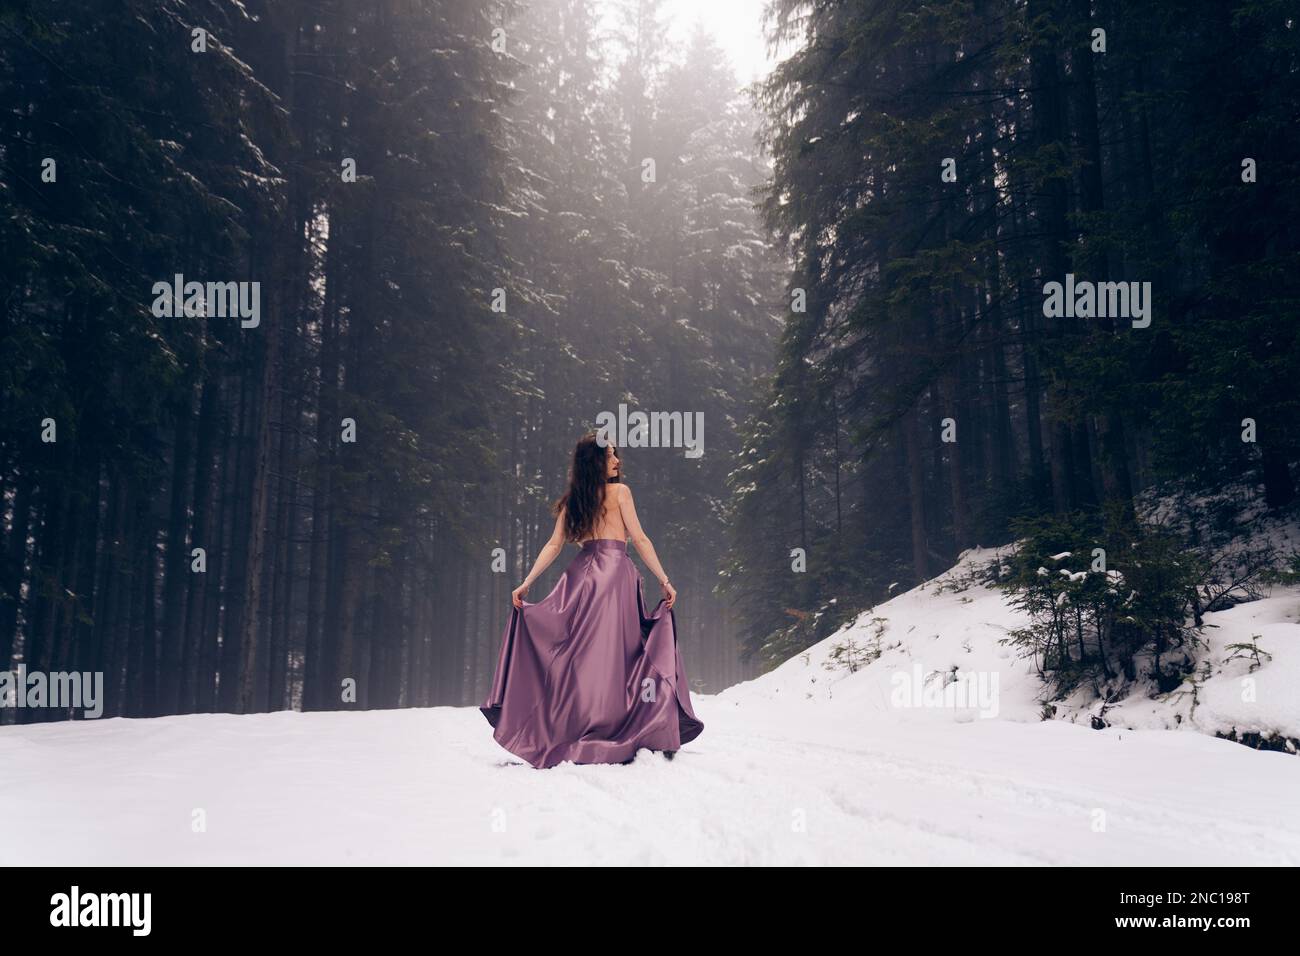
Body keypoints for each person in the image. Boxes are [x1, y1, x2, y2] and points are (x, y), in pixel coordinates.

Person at [479, 431, 704, 768]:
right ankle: (630, 725)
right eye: (611, 455)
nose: (617, 460)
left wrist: (526, 582)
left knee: (579, 655)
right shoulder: (620, 493)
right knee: (624, 655)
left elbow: (554, 546)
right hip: (614, 576)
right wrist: (665, 580)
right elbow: (640, 539)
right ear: (596, 461)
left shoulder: (574, 500)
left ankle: (574, 725)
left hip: (582, 576)